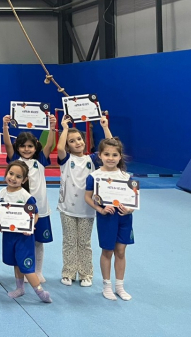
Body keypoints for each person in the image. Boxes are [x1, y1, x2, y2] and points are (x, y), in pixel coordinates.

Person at [57, 113, 111, 287]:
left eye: (79, 139)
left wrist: (105, 127)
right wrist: (64, 128)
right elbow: (59, 147)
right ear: (67, 145)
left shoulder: (92, 159)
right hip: (67, 209)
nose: (77, 143)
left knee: (84, 243)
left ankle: (86, 274)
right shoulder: (66, 159)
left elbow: (110, 147)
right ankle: (68, 273)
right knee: (69, 242)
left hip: (87, 209)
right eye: (72, 141)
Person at [2, 114, 56, 284]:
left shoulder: (40, 160)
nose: (26, 149)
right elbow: (7, 144)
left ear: (36, 147)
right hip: (19, 211)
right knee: (24, 241)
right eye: (23, 146)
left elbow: (49, 144)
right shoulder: (15, 160)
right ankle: (25, 270)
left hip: (41, 209)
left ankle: (38, 271)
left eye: (30, 146)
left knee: (39, 242)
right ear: (18, 147)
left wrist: (52, 127)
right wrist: (5, 127)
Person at [0, 161, 52, 303]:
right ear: (6, 173)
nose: (13, 178)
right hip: (9, 235)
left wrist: (30, 226)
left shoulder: (26, 196)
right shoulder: (1, 193)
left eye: (18, 176)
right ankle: (20, 288)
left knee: (27, 266)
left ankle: (40, 292)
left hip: (24, 237)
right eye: (11, 174)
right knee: (16, 262)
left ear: (24, 180)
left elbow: (35, 214)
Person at [85, 137, 135, 301]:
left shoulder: (126, 177)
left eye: (114, 155)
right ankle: (107, 285)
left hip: (124, 219)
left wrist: (129, 210)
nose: (110, 158)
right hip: (107, 219)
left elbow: (133, 200)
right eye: (107, 154)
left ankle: (119, 286)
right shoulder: (94, 176)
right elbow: (87, 197)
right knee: (107, 251)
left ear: (120, 157)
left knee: (121, 251)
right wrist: (100, 209)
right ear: (100, 155)